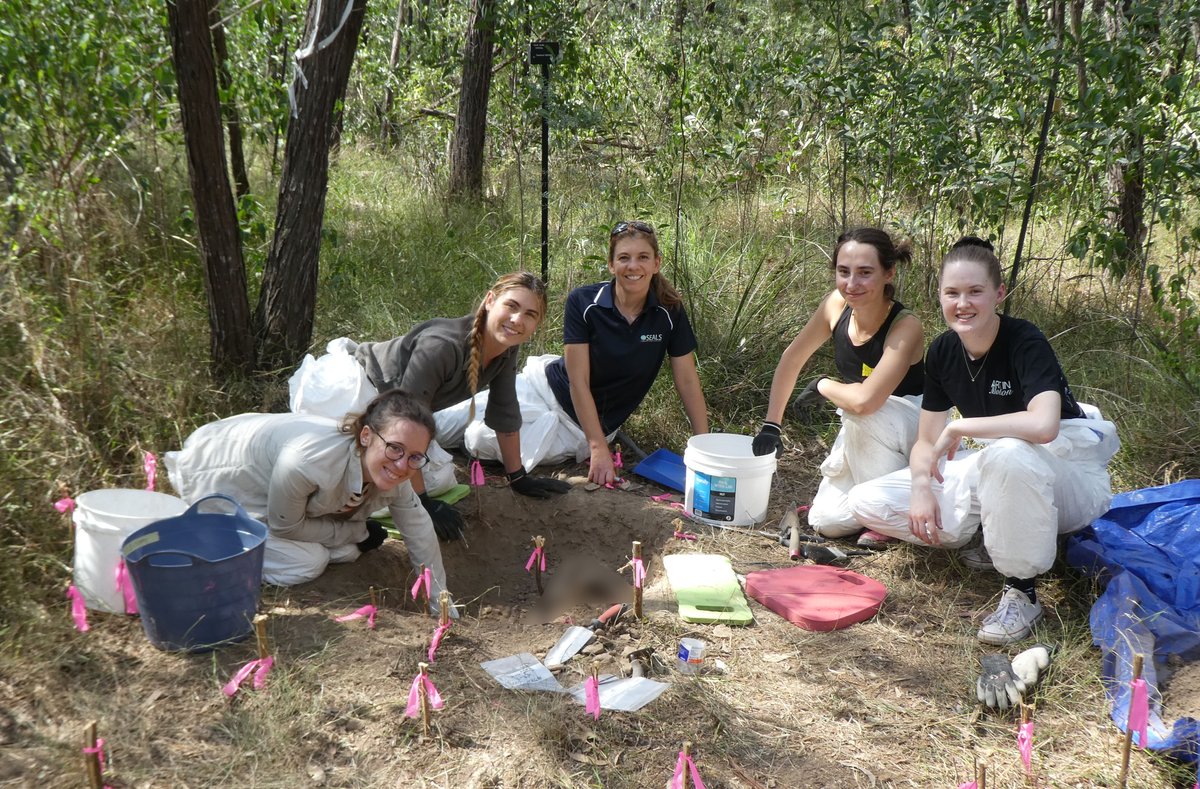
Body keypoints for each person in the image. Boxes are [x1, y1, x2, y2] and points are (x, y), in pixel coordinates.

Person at [846, 237, 1119, 645]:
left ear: (998, 293)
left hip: (1067, 476)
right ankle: (988, 534)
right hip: (995, 467)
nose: (963, 303)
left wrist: (960, 428)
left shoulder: (1024, 340)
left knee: (1009, 453)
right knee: (865, 502)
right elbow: (926, 440)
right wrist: (921, 486)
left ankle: (1022, 591)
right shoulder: (943, 351)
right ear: (939, 296)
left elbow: (1044, 425)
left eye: (975, 292)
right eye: (952, 293)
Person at [288, 272, 570, 540]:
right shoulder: (442, 346)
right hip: (349, 389)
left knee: (439, 479)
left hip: (394, 409)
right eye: (512, 306)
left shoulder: (506, 347)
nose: (517, 319)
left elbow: (505, 412)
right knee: (357, 479)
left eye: (530, 314)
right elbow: (403, 422)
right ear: (490, 300)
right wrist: (420, 502)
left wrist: (518, 477)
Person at [165, 390, 455, 615]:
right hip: (214, 477)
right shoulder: (307, 462)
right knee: (309, 560)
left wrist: (441, 604)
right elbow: (286, 526)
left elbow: (419, 530)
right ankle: (215, 541)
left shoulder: (393, 470)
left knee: (344, 550)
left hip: (272, 494)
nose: (403, 465)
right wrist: (359, 533)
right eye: (394, 448)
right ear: (366, 435)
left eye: (415, 456)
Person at [751, 227, 925, 546]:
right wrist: (771, 425)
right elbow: (792, 359)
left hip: (910, 431)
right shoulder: (837, 305)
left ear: (889, 273)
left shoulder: (905, 326)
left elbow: (866, 402)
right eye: (843, 272)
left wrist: (822, 385)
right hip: (863, 429)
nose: (851, 284)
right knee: (825, 521)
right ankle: (882, 511)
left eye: (865, 273)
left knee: (861, 411)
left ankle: (894, 514)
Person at [544, 220, 709, 485]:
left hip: (585, 426)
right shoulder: (584, 302)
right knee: (469, 421)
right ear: (611, 264)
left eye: (643, 257)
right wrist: (598, 449)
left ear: (656, 264)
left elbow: (688, 381)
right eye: (624, 258)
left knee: (484, 442)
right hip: (549, 390)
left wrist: (704, 449)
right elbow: (577, 381)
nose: (633, 266)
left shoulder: (670, 312)